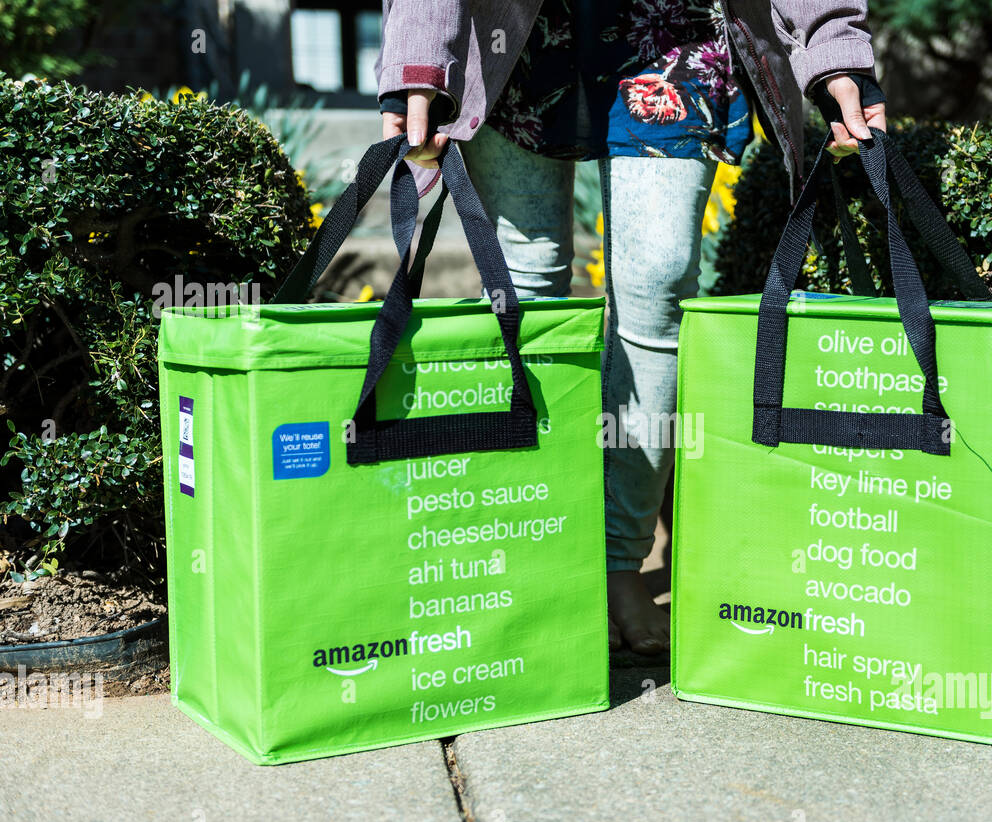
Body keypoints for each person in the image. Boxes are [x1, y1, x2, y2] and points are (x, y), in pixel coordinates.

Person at [375, 0, 886, 655]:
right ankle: (534, 550)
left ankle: (621, 559)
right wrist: (421, 48)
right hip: (520, 33)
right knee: (522, 295)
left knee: (660, 283)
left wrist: (834, 43)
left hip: (670, 31)